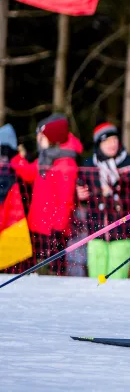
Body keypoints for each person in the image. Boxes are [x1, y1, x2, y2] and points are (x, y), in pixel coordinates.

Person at [11, 114, 82, 276]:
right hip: (38, 225)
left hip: (53, 230)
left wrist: (59, 228)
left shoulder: (65, 163)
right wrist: (17, 159)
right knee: (36, 273)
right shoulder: (46, 157)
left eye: (41, 136)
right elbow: (30, 173)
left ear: (51, 137)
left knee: (51, 274)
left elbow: (66, 201)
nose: (38, 140)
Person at [77, 122, 130, 280]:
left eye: (114, 139)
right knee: (96, 280)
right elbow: (81, 196)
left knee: (117, 283)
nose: (112, 144)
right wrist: (80, 196)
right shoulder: (89, 165)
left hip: (124, 232)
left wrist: (117, 193)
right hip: (96, 232)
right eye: (107, 141)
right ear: (98, 144)